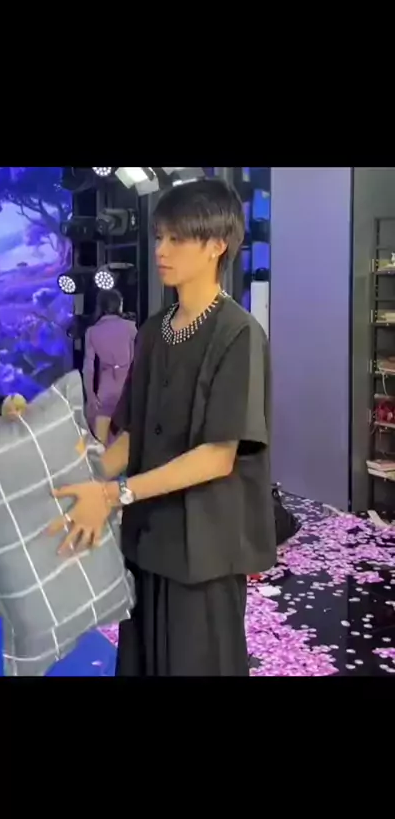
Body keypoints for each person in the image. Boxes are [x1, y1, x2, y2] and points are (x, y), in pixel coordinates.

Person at [48, 178, 276, 676]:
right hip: (147, 541)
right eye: (159, 237)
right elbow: (132, 435)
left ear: (216, 245)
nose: (161, 250)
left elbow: (217, 456)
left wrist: (114, 494)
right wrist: (74, 480)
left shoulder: (238, 334)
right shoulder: (153, 332)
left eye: (177, 238)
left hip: (204, 552)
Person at [83, 289, 137, 445]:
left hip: (105, 390)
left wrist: (90, 395)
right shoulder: (130, 327)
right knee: (124, 445)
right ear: (119, 305)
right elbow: (137, 360)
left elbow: (88, 368)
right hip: (127, 388)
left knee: (99, 446)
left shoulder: (92, 332)